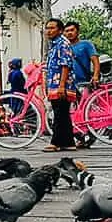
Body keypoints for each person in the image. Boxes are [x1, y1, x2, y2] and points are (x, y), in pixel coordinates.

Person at [43, 18, 77, 152]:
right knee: (63, 113)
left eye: (52, 28)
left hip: (61, 84)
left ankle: (55, 142)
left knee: (59, 113)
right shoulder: (54, 45)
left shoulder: (62, 44)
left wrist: (61, 85)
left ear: (60, 30)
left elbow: (65, 65)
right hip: (55, 84)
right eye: (47, 28)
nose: (49, 31)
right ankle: (69, 142)